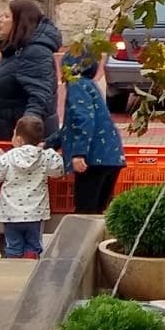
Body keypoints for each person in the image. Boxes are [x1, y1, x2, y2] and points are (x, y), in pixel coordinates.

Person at [0, 0, 63, 147]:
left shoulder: (35, 52)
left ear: (19, 22)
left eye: (6, 17)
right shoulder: (16, 50)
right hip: (6, 139)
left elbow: (40, 96)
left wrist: (24, 133)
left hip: (22, 145)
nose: (1, 20)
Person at [0, 113, 63, 260]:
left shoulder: (8, 156)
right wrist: (52, 152)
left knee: (13, 246)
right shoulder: (44, 156)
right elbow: (58, 171)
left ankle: (13, 269)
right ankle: (30, 269)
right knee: (34, 245)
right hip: (35, 213)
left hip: (11, 213)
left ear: (18, 139)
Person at [60, 54, 125, 214]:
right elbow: (72, 126)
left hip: (94, 159)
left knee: (85, 213)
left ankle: (83, 240)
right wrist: (49, 142)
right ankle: (97, 240)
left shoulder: (76, 86)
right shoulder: (90, 85)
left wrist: (78, 153)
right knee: (98, 212)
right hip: (111, 156)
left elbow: (83, 120)